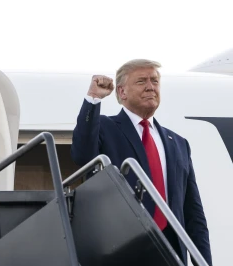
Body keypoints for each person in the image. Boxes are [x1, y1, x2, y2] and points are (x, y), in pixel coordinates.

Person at [71, 59, 212, 266]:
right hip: (123, 248)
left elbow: (193, 212)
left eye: (155, 81)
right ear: (122, 92)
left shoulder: (179, 143)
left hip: (171, 251)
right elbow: (82, 155)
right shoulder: (104, 127)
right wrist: (93, 99)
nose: (150, 87)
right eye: (141, 81)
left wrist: (204, 262)